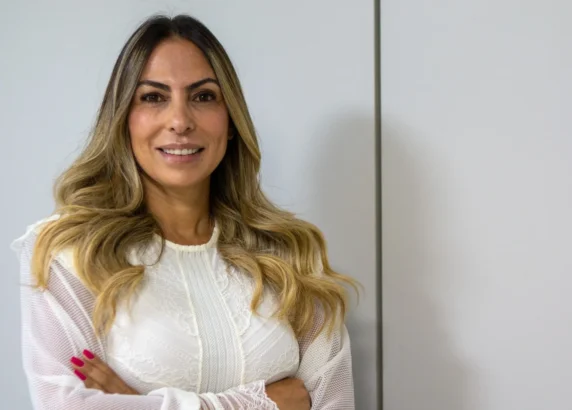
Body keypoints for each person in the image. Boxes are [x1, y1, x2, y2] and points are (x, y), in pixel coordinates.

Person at [11, 14, 358, 410]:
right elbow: (65, 405)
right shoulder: (71, 252)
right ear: (123, 120)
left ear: (230, 121)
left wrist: (140, 403)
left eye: (203, 96)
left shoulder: (289, 253)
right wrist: (266, 403)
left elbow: (334, 402)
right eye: (153, 97)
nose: (179, 121)